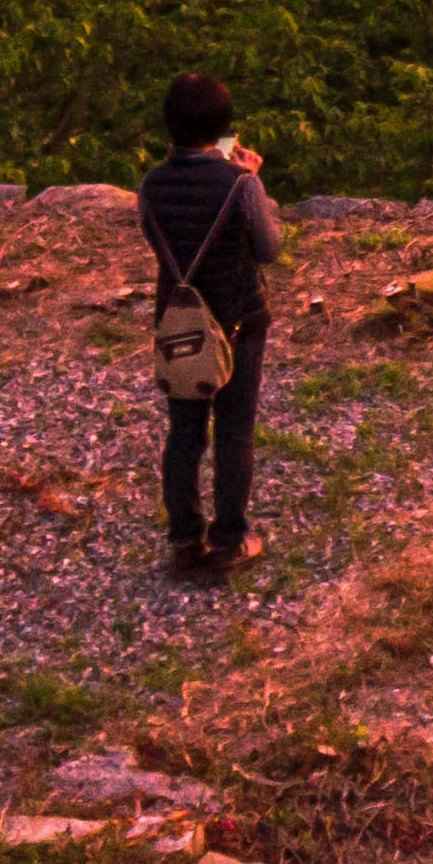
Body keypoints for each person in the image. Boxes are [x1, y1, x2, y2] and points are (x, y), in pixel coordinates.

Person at [139, 71, 286, 577]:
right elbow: (269, 250)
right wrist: (253, 179)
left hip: (179, 320)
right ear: (225, 126)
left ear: (169, 125)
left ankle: (183, 538)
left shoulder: (151, 186)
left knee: (183, 431)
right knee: (234, 430)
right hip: (238, 320)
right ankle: (229, 539)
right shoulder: (240, 185)